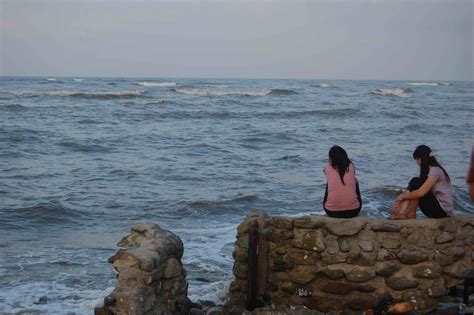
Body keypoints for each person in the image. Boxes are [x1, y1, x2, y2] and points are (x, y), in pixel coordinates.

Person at [391, 145, 453, 219]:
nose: (417, 162)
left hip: (441, 211)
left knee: (416, 182)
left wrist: (401, 197)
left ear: (421, 159)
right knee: (415, 182)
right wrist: (400, 200)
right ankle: (403, 213)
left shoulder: (435, 170)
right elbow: (412, 188)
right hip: (437, 209)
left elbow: (421, 192)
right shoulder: (430, 170)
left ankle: (409, 213)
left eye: (417, 159)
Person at [323, 145, 362, 218]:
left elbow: (327, 172)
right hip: (353, 211)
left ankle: (333, 204)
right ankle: (352, 203)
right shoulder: (351, 166)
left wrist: (330, 164)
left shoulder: (327, 168)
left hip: (331, 212)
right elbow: (351, 175)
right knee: (355, 180)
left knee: (330, 182)